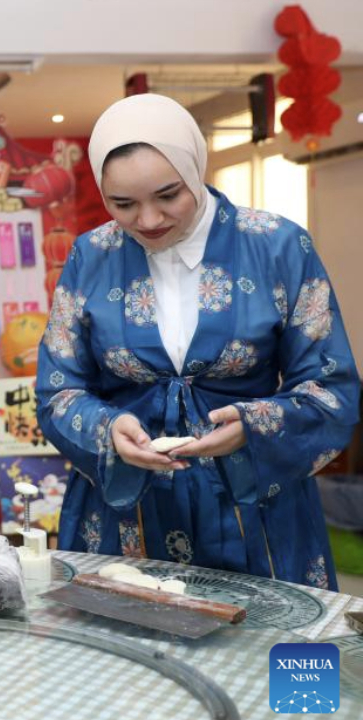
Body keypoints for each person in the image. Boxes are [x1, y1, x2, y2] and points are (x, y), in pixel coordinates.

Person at [36, 94, 360, 590]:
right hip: (129, 512)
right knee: (123, 660)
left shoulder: (276, 246)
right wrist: (109, 428)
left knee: (276, 661)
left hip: (253, 508)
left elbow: (331, 386)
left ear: (195, 168)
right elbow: (58, 390)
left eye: (169, 195)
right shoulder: (91, 255)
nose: (147, 220)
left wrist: (254, 425)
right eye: (122, 204)